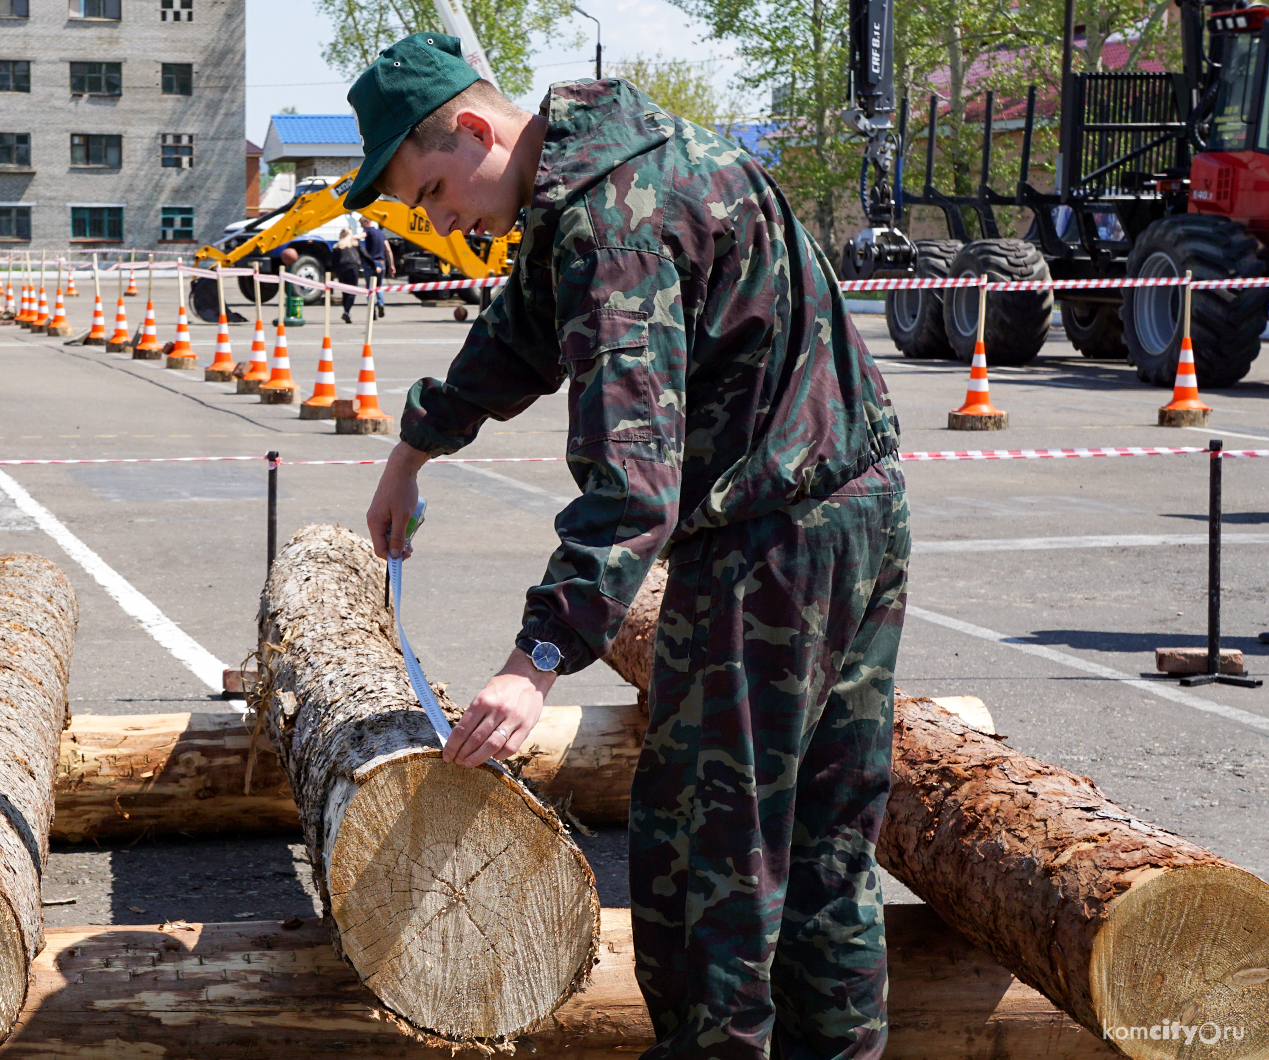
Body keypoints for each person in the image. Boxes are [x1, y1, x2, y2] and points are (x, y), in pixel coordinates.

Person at [352, 34, 908, 1060]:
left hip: (764, 549)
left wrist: (537, 659)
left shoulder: (606, 227)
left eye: (431, 189)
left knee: (706, 855)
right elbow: (518, 335)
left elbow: (631, 482)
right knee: (826, 845)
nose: (437, 221)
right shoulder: (620, 158)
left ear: (476, 129)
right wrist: (413, 449)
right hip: (860, 513)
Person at [359, 216, 394, 317]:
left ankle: (372, 310)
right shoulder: (381, 234)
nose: (362, 227)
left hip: (370, 264)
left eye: (362, 224)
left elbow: (361, 235)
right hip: (381, 263)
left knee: (369, 288)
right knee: (379, 286)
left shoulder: (368, 231)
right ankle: (381, 303)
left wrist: (348, 237)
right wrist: (391, 265)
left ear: (367, 222)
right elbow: (388, 250)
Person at [330, 227, 365, 324]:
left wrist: (335, 272)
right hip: (353, 268)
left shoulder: (337, 246)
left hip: (341, 269)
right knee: (352, 291)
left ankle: (346, 311)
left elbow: (334, 261)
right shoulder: (355, 244)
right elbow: (365, 255)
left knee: (344, 292)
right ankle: (347, 312)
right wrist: (374, 266)